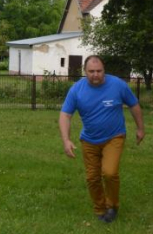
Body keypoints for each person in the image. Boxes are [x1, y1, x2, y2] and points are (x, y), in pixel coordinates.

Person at [59, 56, 145, 223]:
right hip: (89, 140)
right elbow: (65, 115)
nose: (96, 75)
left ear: (104, 70)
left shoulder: (118, 85)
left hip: (114, 136)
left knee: (110, 172)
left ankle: (112, 206)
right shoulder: (76, 90)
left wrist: (140, 128)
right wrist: (66, 140)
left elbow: (134, 105)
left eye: (99, 71)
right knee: (92, 178)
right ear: (85, 72)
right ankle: (100, 207)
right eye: (91, 71)